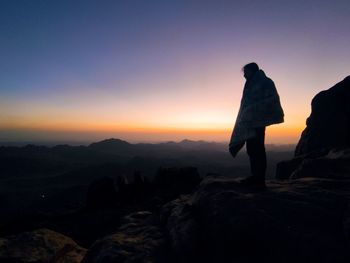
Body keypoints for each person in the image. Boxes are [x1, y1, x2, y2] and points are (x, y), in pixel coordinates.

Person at [229, 62, 284, 188]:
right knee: (251, 149)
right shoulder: (252, 83)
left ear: (252, 70)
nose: (244, 76)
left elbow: (272, 99)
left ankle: (259, 181)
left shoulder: (265, 82)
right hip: (250, 121)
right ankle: (255, 176)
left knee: (257, 150)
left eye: (245, 72)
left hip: (258, 121)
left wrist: (253, 109)